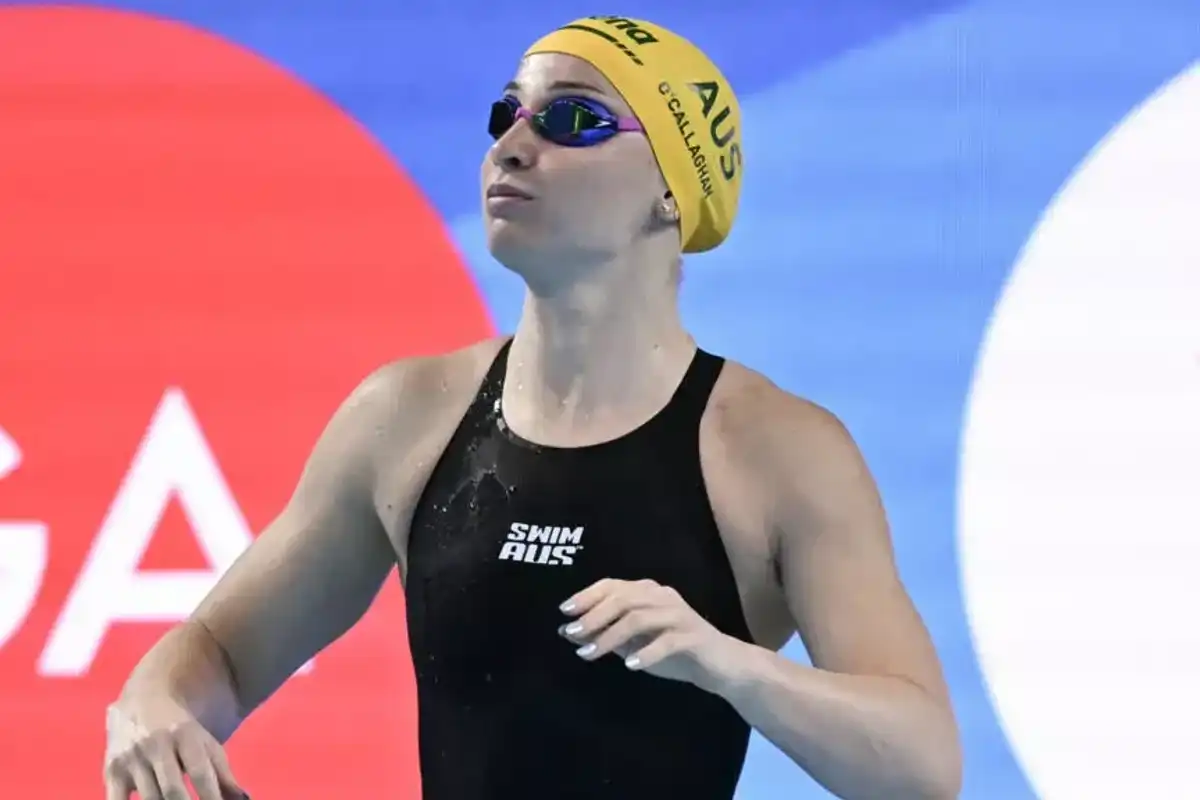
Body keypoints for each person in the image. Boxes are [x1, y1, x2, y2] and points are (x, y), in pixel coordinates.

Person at [104, 15, 963, 800]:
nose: (512, 146)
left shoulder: (776, 452)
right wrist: (154, 706)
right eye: (507, 115)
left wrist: (727, 664)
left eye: (572, 120)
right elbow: (219, 652)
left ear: (673, 190)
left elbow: (923, 768)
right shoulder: (406, 419)